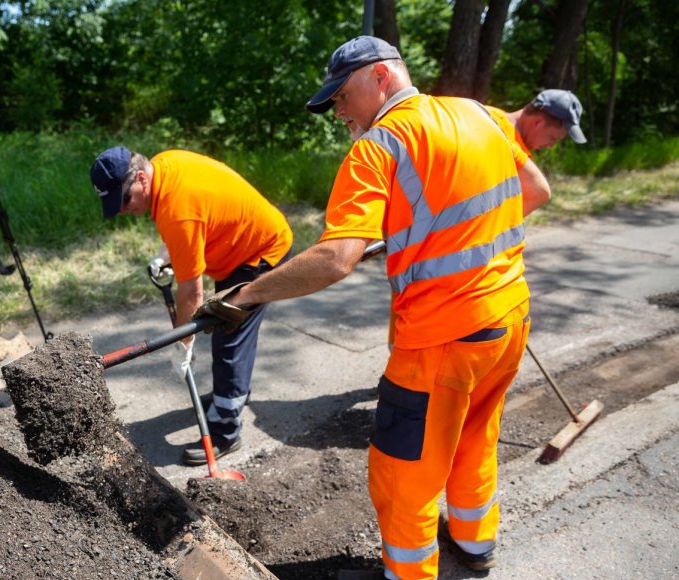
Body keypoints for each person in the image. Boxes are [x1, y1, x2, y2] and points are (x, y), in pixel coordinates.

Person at [194, 36, 550, 578]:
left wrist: (244, 294)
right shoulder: (479, 114)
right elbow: (531, 188)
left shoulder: (380, 145)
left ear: (381, 77)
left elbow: (335, 259)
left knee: (403, 471)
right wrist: (428, 238)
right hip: (508, 320)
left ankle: (407, 572)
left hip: (441, 341)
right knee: (475, 436)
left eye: (342, 96)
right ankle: (476, 546)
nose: (337, 111)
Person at [90, 146, 293, 465]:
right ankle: (234, 394)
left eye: (125, 200)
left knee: (230, 335)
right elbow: (192, 220)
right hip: (236, 247)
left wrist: (182, 344)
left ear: (141, 178)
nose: (124, 210)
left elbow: (191, 294)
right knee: (232, 332)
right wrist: (167, 253)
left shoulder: (176, 209)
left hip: (260, 252)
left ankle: (226, 431)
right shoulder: (164, 167)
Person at [485, 89, 584, 216]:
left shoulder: (487, 113)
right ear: (538, 123)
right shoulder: (509, 147)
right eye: (552, 138)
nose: (551, 146)